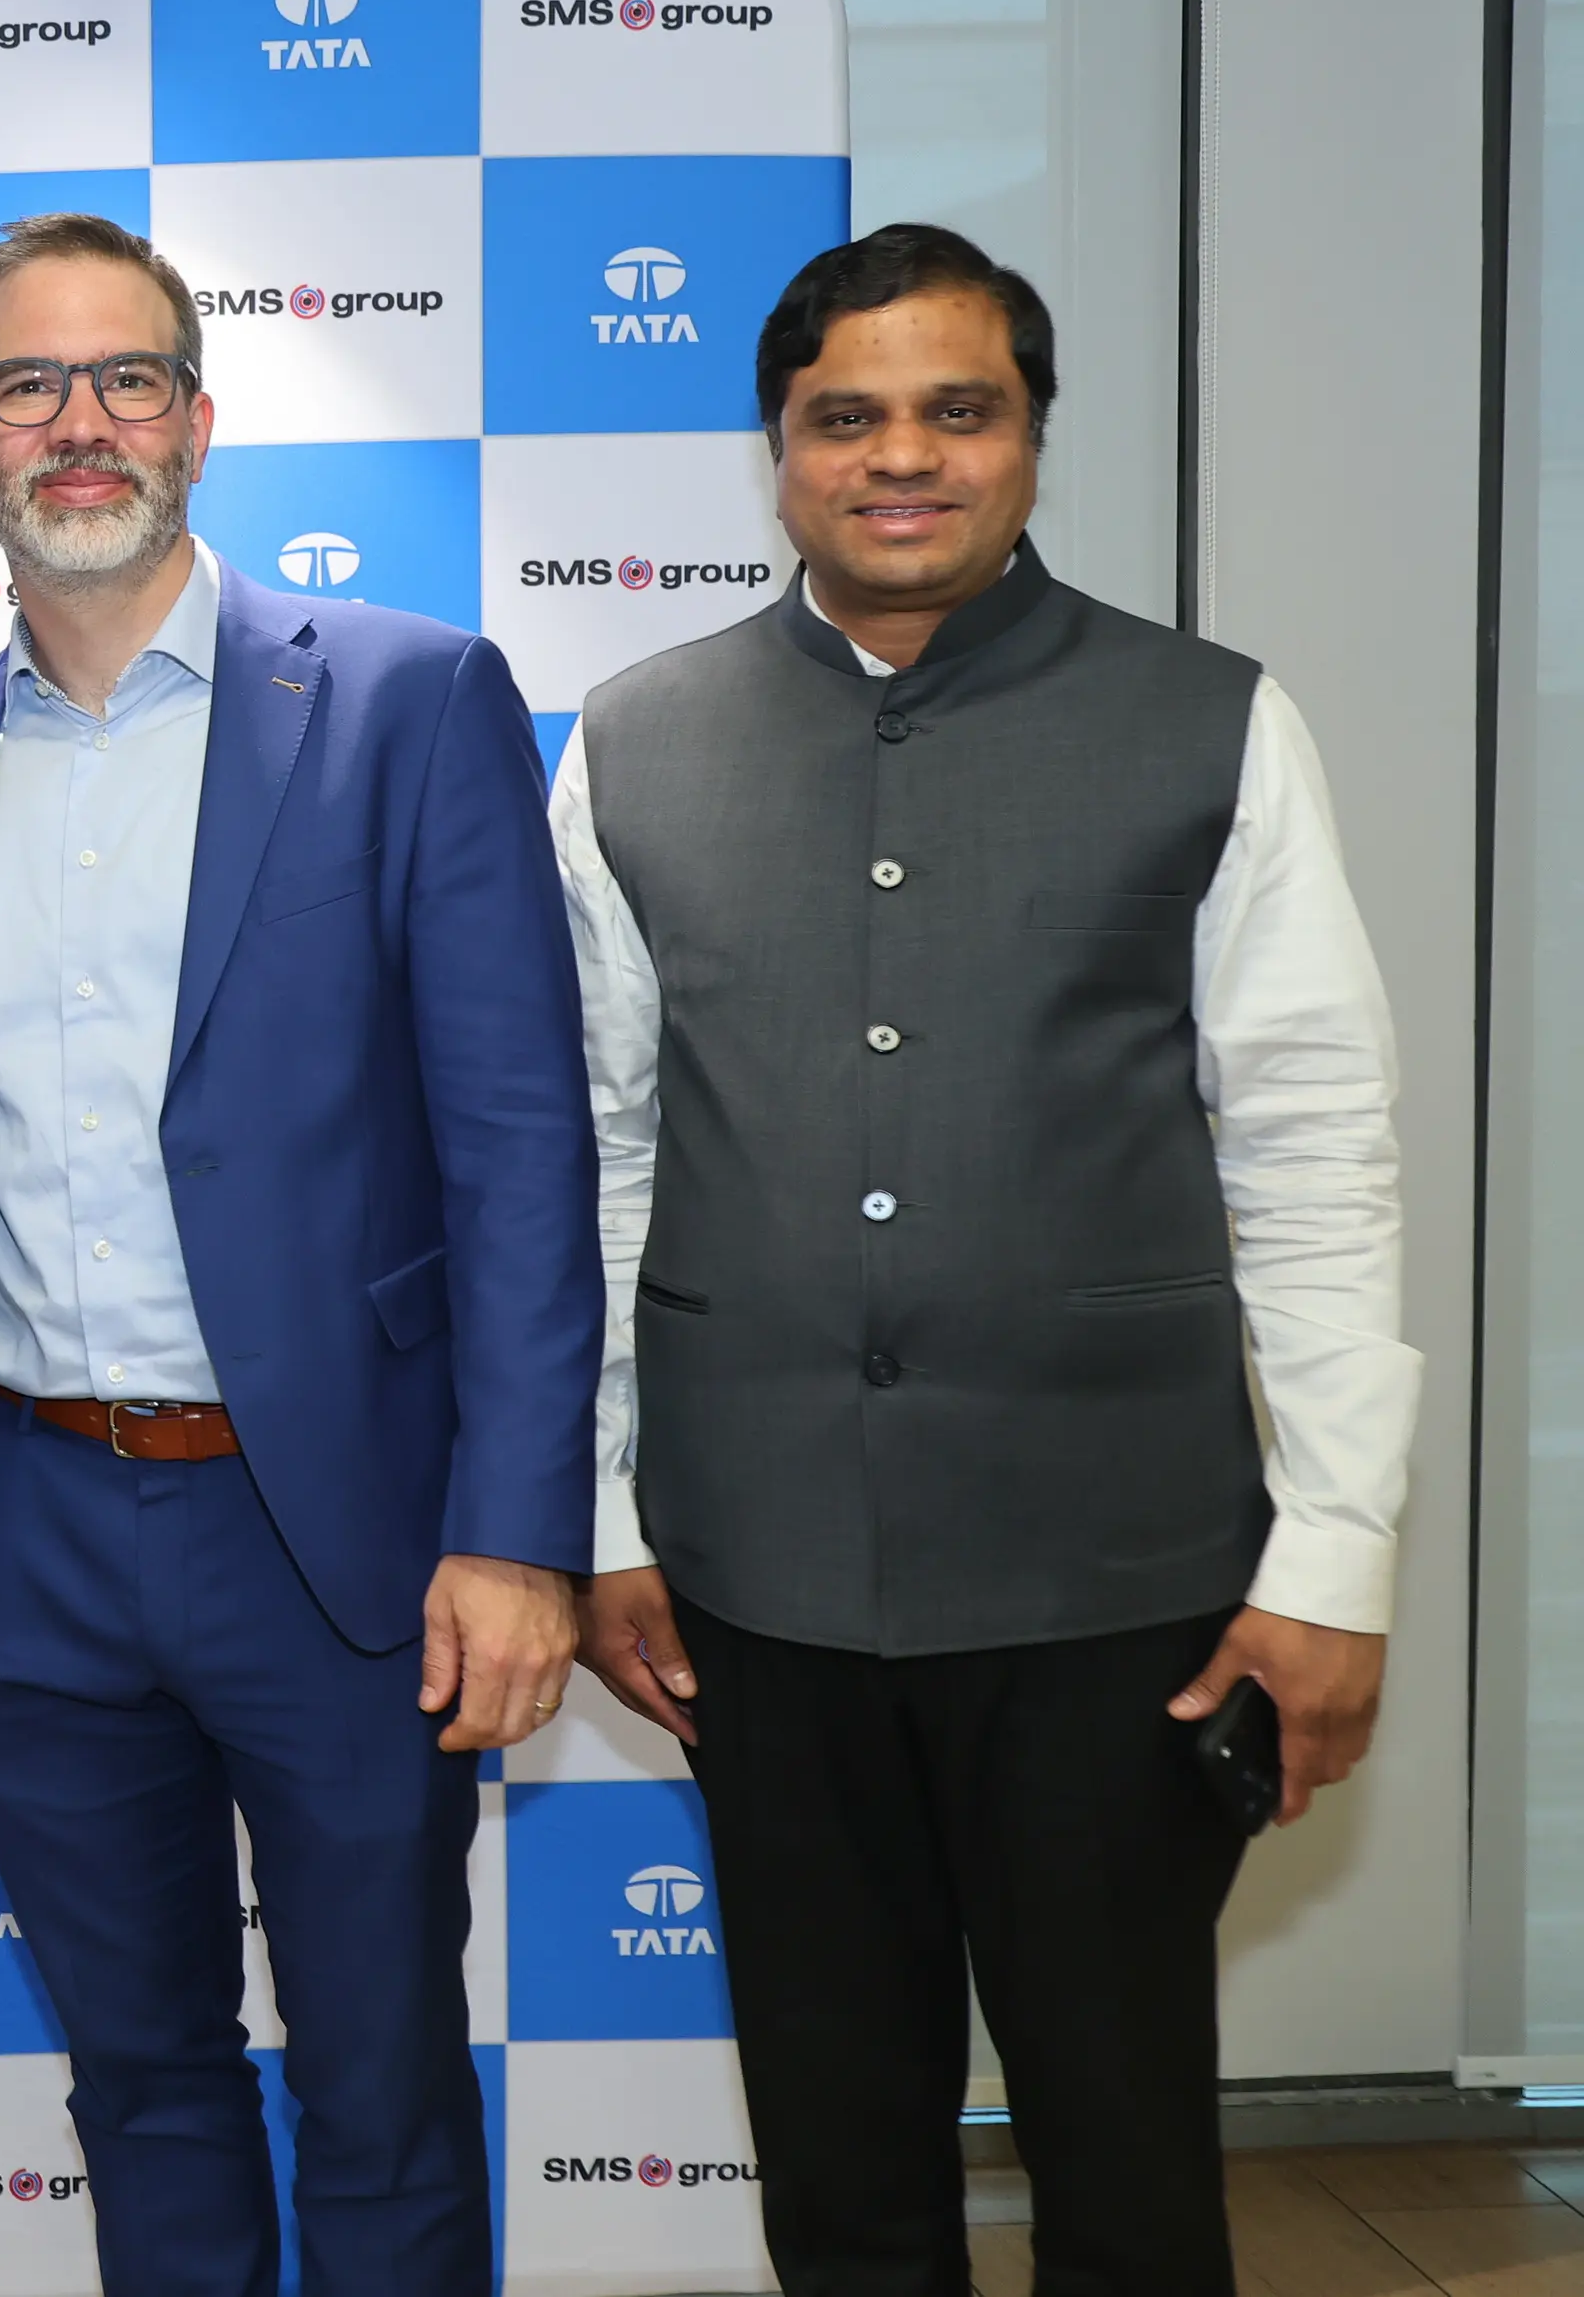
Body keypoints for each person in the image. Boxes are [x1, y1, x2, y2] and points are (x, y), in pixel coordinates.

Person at [558, 221, 1417, 2295]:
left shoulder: (1210, 721)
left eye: (959, 409)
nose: (900, 456)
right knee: (840, 2174)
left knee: (1127, 2173)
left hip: (1114, 1587)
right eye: (842, 416)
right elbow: (598, 1151)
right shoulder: (631, 735)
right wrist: (596, 1511)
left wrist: (1332, 1557)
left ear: (1032, 435)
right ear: (774, 451)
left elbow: (1314, 1147)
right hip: (753, 1586)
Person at [0, 213, 602, 2297]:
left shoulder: (409, 699)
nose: (76, 424)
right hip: (22, 1536)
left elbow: (519, 1154)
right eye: (25, 385)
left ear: (197, 418)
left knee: (378, 2081)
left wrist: (517, 1532)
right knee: (140, 2080)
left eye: (124, 380)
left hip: (338, 1539)